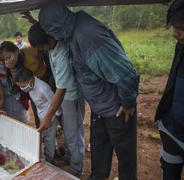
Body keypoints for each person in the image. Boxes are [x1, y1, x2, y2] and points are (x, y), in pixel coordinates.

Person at [38, 2, 139, 180]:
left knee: (125, 159)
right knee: (99, 153)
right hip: (99, 109)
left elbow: (126, 74)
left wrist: (128, 103)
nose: (51, 35)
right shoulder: (71, 31)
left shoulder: (89, 36)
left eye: (50, 30)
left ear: (56, 26)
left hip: (117, 109)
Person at [28, 23, 85, 177]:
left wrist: (47, 117)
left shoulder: (61, 56)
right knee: (69, 130)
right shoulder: (53, 43)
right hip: (65, 97)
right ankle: (70, 155)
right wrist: (33, 21)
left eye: (41, 46)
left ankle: (77, 167)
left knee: (74, 132)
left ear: (48, 39)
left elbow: (61, 90)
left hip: (70, 97)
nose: (40, 50)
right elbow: (46, 31)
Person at [155, 1, 184, 180]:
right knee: (169, 172)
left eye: (181, 27)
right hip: (171, 131)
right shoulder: (181, 45)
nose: (175, 33)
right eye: (174, 27)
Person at [15, 67, 60, 162]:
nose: (22, 88)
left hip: (49, 119)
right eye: (20, 86)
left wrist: (56, 116)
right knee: (46, 137)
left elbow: (54, 102)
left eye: (23, 85)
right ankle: (53, 151)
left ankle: (49, 160)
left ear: (30, 80)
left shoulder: (43, 88)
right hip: (41, 117)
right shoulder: (30, 87)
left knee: (49, 139)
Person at [0, 50, 28, 121]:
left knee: (20, 119)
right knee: (8, 119)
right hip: (4, 99)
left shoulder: (12, 67)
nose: (1, 62)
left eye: (3, 60)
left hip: (17, 98)